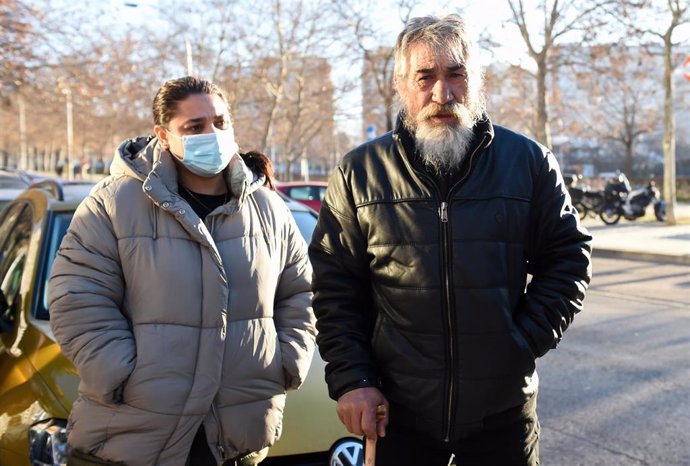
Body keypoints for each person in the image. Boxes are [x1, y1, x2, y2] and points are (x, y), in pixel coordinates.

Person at [309, 14, 592, 466]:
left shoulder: (528, 162)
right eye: (426, 77)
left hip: (502, 412)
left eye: (456, 75)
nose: (443, 94)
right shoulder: (360, 172)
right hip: (396, 413)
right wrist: (353, 378)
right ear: (402, 84)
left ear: (476, 81)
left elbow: (568, 259)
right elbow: (335, 286)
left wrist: (520, 343)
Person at [48, 76, 316, 466]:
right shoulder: (114, 204)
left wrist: (286, 361)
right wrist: (123, 374)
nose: (213, 134)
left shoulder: (268, 209)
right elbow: (76, 297)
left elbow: (301, 293)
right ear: (163, 134)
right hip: (131, 438)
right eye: (195, 127)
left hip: (235, 441)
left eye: (220, 122)